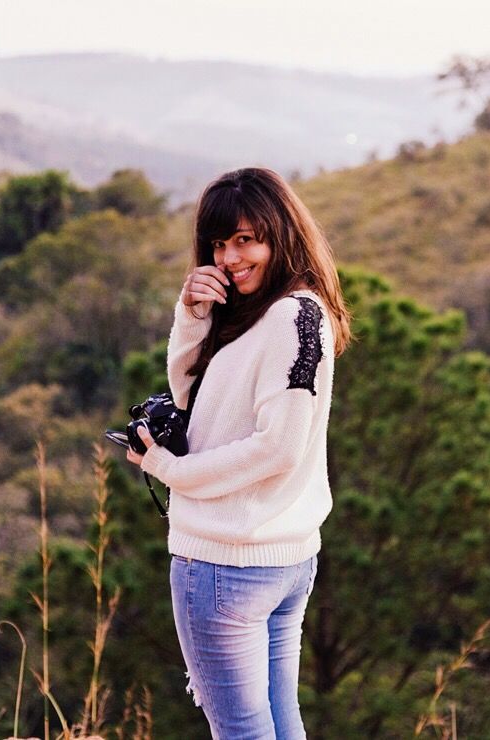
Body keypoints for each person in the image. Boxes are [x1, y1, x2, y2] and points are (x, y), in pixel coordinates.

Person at [127, 167, 352, 739]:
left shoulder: (290, 316)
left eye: (246, 240)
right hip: (283, 559)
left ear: (280, 233)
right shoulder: (279, 311)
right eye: (219, 245)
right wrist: (194, 316)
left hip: (226, 561)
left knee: (243, 733)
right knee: (277, 725)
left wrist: (168, 468)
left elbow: (278, 446)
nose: (229, 258)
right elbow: (190, 398)